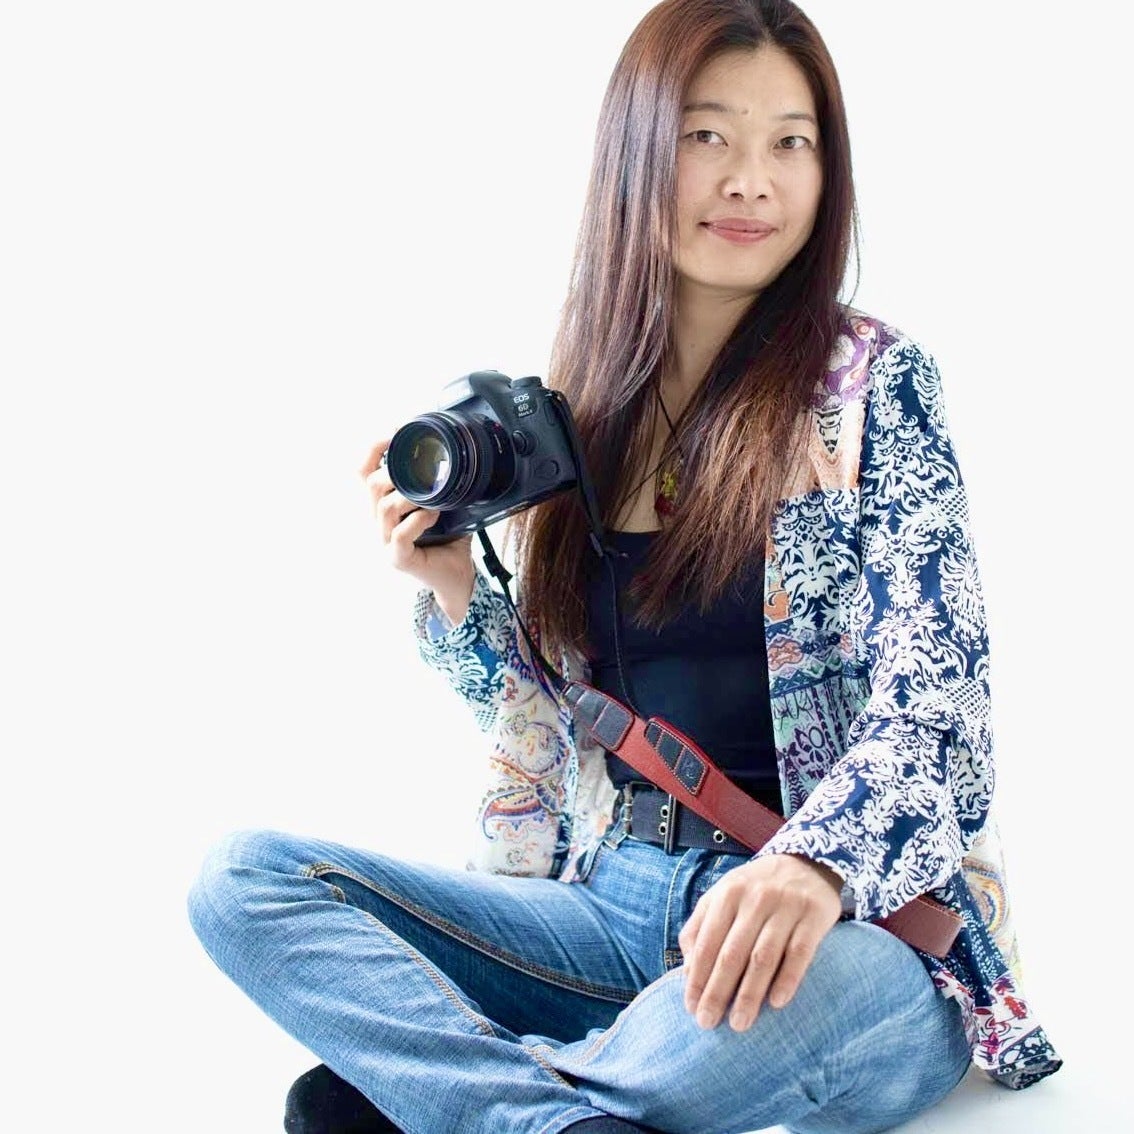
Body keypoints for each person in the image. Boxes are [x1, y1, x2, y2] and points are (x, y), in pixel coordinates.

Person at [187, 1, 1063, 1131]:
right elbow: (557, 732)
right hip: (612, 907)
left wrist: (814, 867)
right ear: (637, 150)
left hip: (847, 927)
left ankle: (476, 1093)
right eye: (708, 135)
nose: (751, 180)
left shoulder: (873, 386)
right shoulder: (574, 417)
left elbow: (938, 703)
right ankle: (564, 1104)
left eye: (790, 142)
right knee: (245, 881)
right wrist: (456, 592)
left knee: (789, 1007)